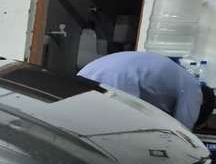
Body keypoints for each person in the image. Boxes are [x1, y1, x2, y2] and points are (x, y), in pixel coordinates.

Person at [78, 50, 215, 130]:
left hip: (92, 71)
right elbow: (181, 131)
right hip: (119, 80)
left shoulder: (180, 79)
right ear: (202, 103)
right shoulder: (194, 90)